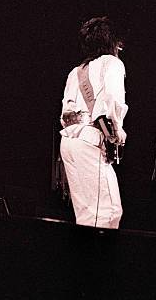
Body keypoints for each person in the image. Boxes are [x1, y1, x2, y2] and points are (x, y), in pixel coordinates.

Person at [59, 16, 127, 229]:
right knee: (107, 212)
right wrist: (118, 131)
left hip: (69, 141)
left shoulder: (75, 72)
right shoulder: (112, 63)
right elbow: (113, 101)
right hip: (90, 139)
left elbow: (65, 113)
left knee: (86, 213)